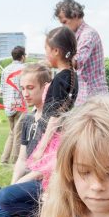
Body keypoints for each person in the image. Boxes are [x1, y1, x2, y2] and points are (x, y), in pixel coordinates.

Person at [0, 62, 51, 217]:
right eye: (23, 88)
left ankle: (46, 210)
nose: (25, 93)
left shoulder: (54, 120)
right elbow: (22, 159)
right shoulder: (28, 119)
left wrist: (12, 189)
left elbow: (45, 169)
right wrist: (13, 186)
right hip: (29, 182)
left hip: (46, 184)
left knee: (3, 197)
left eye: (30, 88)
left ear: (45, 87)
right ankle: (36, 212)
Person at [24, 27, 79, 195]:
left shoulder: (60, 79)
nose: (46, 55)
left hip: (54, 140)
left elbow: (55, 117)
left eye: (46, 50)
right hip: (62, 137)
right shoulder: (71, 75)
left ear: (56, 51)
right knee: (50, 185)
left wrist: (41, 148)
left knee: (44, 185)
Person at [54, 0, 109, 104]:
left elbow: (77, 61)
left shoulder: (88, 34)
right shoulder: (75, 37)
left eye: (65, 22)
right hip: (83, 94)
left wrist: (53, 61)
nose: (63, 27)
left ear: (75, 15)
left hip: (94, 97)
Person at [0, 46, 27, 165]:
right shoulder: (25, 69)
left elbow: (1, 90)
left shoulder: (5, 70)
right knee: (18, 134)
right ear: (22, 56)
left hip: (8, 105)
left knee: (12, 133)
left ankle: (4, 160)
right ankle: (15, 162)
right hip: (20, 104)